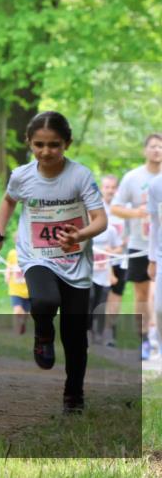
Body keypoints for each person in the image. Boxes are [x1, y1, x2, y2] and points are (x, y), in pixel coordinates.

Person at [0, 111, 106, 414]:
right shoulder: (22, 176)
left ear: (67, 143)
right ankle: (42, 333)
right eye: (39, 144)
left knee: (76, 336)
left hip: (75, 261)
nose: (46, 151)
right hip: (37, 255)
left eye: (54, 145)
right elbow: (9, 200)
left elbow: (101, 220)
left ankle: (73, 396)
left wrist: (81, 233)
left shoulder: (80, 176)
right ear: (29, 142)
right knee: (44, 299)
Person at [111, 134, 162, 360]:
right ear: (145, 150)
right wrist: (137, 213)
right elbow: (115, 207)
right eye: (153, 146)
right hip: (139, 244)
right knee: (141, 294)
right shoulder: (133, 177)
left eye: (160, 147)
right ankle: (143, 339)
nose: (157, 150)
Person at [100, 174, 128, 347]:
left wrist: (126, 240)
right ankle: (95, 330)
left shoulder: (123, 207)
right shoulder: (95, 206)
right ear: (102, 188)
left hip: (120, 260)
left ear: (116, 188)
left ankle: (109, 333)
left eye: (112, 187)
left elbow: (133, 227)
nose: (110, 190)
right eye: (107, 187)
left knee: (115, 298)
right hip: (100, 261)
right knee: (99, 298)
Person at [89, 222, 122, 343]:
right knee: (90, 301)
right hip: (89, 274)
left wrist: (111, 250)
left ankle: (99, 333)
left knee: (101, 305)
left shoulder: (110, 230)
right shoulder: (84, 228)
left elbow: (118, 248)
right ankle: (88, 330)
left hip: (104, 275)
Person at [148, 173, 162, 357]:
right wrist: (151, 259)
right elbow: (154, 223)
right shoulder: (157, 184)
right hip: (161, 254)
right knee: (160, 308)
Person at [4, 244, 30, 334]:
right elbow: (8, 267)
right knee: (17, 310)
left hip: (28, 290)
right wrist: (7, 275)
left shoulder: (31, 253)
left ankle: (22, 324)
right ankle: (16, 330)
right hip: (15, 289)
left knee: (26, 313)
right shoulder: (12, 253)